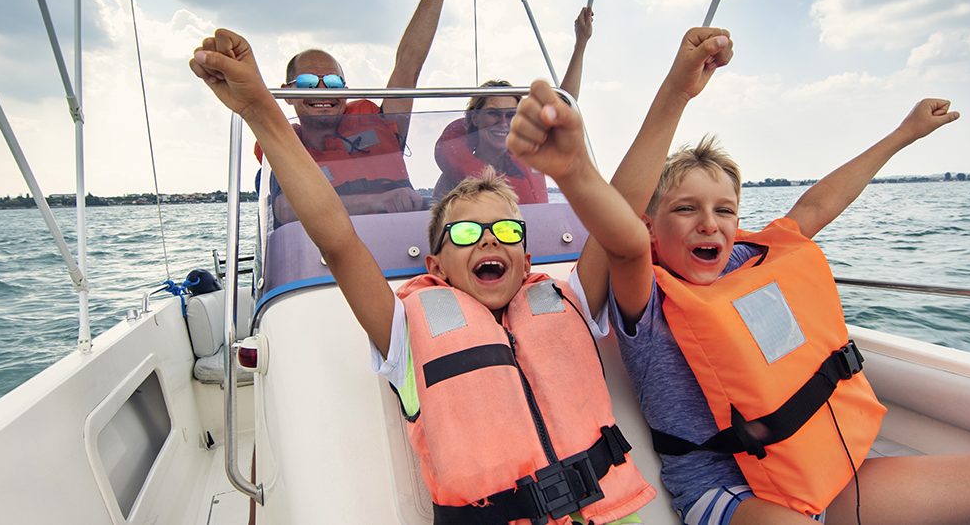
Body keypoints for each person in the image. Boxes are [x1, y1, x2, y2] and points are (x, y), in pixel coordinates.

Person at [591, 27, 970, 525]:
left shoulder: (747, 261)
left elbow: (820, 203)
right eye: (686, 209)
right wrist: (678, 92)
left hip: (822, 466)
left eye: (725, 210)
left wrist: (906, 133)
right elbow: (618, 224)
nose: (710, 223)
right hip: (730, 491)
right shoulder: (645, 296)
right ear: (649, 226)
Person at [190, 29, 656, 524]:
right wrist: (260, 110)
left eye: (504, 229)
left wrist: (678, 90)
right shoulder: (405, 333)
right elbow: (338, 241)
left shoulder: (572, 300)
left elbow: (623, 214)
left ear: (526, 258)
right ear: (434, 266)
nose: (488, 240)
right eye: (464, 233)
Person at [264, 0, 466, 223]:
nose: (323, 92)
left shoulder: (381, 125)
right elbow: (286, 210)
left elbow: (409, 64)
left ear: (344, 92)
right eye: (309, 82)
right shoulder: (285, 147)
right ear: (288, 93)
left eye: (332, 83)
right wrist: (377, 201)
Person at [432, 7, 595, 202]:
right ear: (475, 117)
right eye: (493, 113)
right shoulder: (453, 179)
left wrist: (581, 43)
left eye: (511, 115)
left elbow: (565, 103)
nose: (503, 122)